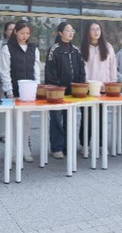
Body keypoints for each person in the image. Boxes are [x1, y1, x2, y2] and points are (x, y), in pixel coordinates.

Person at [0, 20, 40, 163]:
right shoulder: (7, 48)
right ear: (15, 32)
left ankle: (26, 150)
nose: (25, 36)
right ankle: (14, 153)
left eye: (27, 33)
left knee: (26, 122)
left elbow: (36, 70)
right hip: (14, 91)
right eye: (22, 33)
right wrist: (9, 90)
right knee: (13, 123)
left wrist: (37, 87)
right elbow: (4, 71)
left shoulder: (33, 49)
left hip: (29, 92)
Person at [45, 22, 86, 159]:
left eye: (72, 30)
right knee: (56, 119)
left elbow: (81, 70)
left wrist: (79, 86)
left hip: (72, 93)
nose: (71, 33)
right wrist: (58, 87)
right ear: (60, 33)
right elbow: (50, 72)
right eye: (67, 30)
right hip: (57, 93)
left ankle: (67, 146)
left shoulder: (76, 51)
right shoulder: (54, 50)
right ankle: (56, 147)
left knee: (70, 119)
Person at [79, 21, 116, 153]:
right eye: (93, 29)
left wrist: (111, 84)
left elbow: (112, 68)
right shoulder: (82, 48)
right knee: (86, 118)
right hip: (87, 89)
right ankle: (84, 145)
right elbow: (80, 69)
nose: (96, 32)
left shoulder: (108, 47)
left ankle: (101, 145)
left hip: (103, 89)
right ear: (88, 32)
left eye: (98, 29)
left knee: (101, 118)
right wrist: (84, 84)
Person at [0, 21, 15, 142]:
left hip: (15, 81)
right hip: (1, 81)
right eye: (10, 29)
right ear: (5, 31)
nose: (13, 32)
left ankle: (14, 132)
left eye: (15, 29)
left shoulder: (19, 45)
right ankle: (3, 133)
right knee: (3, 109)